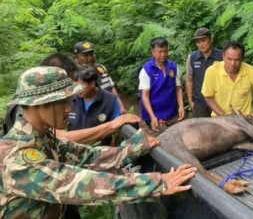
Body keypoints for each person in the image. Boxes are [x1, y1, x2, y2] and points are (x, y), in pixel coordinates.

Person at [0, 66, 196, 218]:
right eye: (63, 102)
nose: (69, 108)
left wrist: (135, 147)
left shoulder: (43, 138)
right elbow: (79, 184)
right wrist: (158, 183)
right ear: (39, 105)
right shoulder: (18, 157)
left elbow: (88, 157)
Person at [201, 41, 253, 120]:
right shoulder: (212, 71)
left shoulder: (252, 71)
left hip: (245, 119)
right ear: (223, 56)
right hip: (219, 119)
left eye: (237, 60)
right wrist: (224, 117)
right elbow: (208, 96)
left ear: (242, 58)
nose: (232, 63)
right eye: (229, 59)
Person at [138, 37, 185, 132]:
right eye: (160, 52)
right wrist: (152, 117)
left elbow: (178, 89)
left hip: (172, 113)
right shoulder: (146, 70)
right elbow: (145, 95)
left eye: (165, 51)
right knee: (159, 143)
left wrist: (181, 106)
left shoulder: (174, 67)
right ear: (153, 52)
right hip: (154, 116)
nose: (163, 55)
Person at [67, 65, 122, 146]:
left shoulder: (110, 101)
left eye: (80, 86)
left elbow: (117, 128)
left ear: (92, 83)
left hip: (100, 152)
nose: (77, 90)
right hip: (74, 151)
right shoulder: (70, 100)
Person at [73, 41, 127, 114]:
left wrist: (120, 106)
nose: (89, 58)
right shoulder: (74, 76)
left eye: (91, 54)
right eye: (85, 55)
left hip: (111, 109)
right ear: (76, 58)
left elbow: (111, 88)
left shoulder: (101, 68)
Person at [186, 28, 223, 117]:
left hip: (218, 100)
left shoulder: (222, 55)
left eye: (203, 40)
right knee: (202, 130)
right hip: (200, 102)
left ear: (211, 39)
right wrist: (191, 101)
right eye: (198, 42)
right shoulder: (192, 57)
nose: (201, 44)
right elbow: (189, 80)